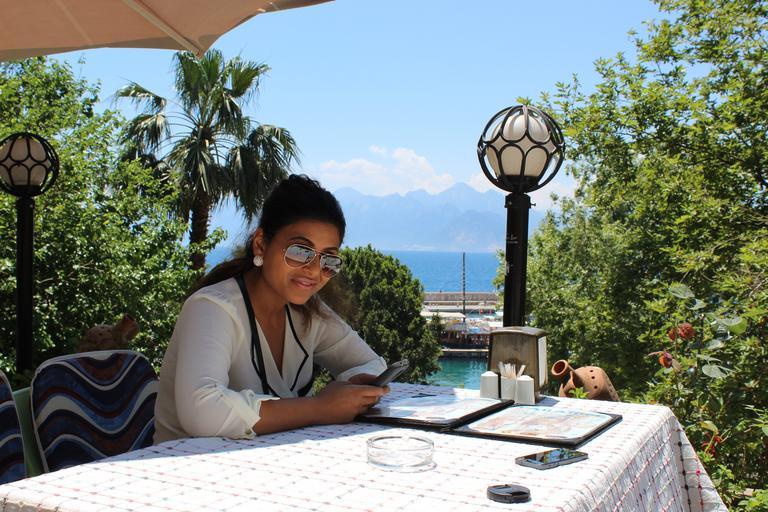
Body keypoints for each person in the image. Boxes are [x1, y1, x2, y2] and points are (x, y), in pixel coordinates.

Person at [154, 175, 389, 443]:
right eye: (300, 251)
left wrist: (349, 390)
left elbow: (372, 365)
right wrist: (320, 408)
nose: (314, 270)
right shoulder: (213, 308)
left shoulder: (308, 313)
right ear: (261, 244)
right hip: (185, 464)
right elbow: (202, 411)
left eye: (328, 259)